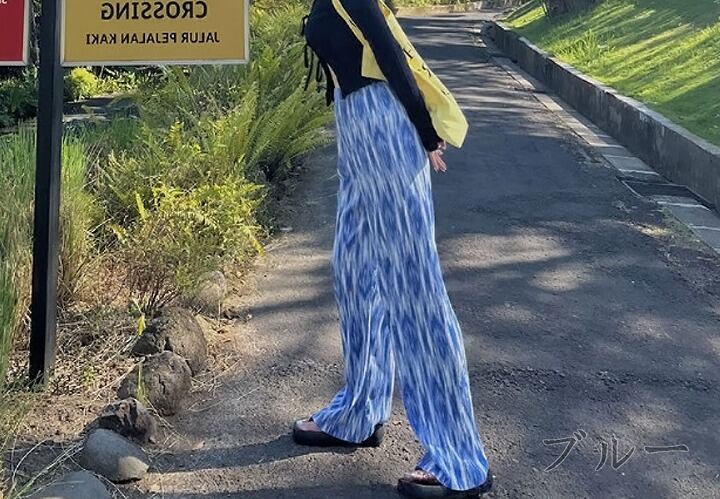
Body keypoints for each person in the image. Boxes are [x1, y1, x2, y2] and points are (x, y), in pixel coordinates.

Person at [295, 1, 492, 497]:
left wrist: (425, 131)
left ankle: (460, 459)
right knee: (354, 274)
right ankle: (358, 412)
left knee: (414, 291)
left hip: (384, 128)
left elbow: (387, 50)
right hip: (356, 133)